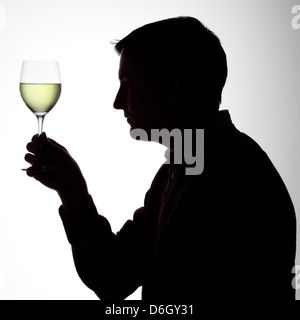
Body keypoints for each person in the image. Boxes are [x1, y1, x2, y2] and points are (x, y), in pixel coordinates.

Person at [25, 17, 296, 300]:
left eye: (128, 85)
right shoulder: (178, 170)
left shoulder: (239, 178)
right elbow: (114, 275)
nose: (117, 102)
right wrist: (73, 193)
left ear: (172, 90)